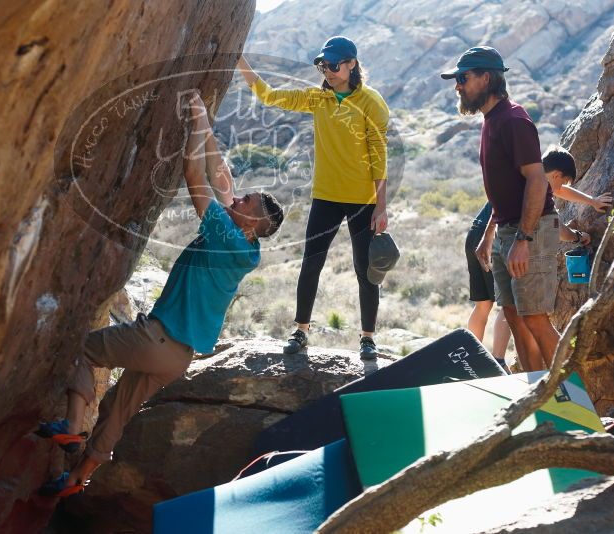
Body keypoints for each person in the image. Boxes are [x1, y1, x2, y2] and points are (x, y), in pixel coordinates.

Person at [35, 94, 284, 497]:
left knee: (81, 349)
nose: (237, 200)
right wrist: (204, 123)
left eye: (245, 203)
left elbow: (194, 174)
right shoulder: (246, 247)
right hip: (177, 358)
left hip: (157, 339)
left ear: (253, 222)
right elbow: (223, 180)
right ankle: (78, 480)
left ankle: (71, 427)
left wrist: (194, 127)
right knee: (118, 411)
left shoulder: (225, 236)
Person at [237, 36, 390, 360]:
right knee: (311, 264)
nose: (328, 71)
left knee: (365, 270)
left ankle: (367, 338)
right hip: (326, 197)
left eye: (334, 65)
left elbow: (379, 154)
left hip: (362, 200)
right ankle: (301, 330)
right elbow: (268, 95)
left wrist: (381, 206)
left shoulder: (371, 102)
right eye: (323, 66)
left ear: (352, 64)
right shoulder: (317, 99)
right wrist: (240, 60)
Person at [441, 46, 564, 372]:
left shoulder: (513, 120)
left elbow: (537, 181)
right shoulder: (491, 120)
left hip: (532, 230)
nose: (458, 85)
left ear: (486, 77)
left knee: (535, 317)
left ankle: (572, 400)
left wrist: (523, 239)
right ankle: (536, 390)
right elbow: (505, 190)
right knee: (513, 315)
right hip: (508, 230)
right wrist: (489, 234)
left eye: (463, 78)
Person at [465, 144, 611, 369]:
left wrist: (592, 201)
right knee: (515, 303)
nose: (560, 188)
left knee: (486, 304)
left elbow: (558, 190)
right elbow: (553, 223)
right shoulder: (534, 188)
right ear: (555, 174)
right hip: (497, 238)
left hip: (477, 233)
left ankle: (474, 361)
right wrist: (577, 237)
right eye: (561, 181)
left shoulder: (526, 174)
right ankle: (499, 361)